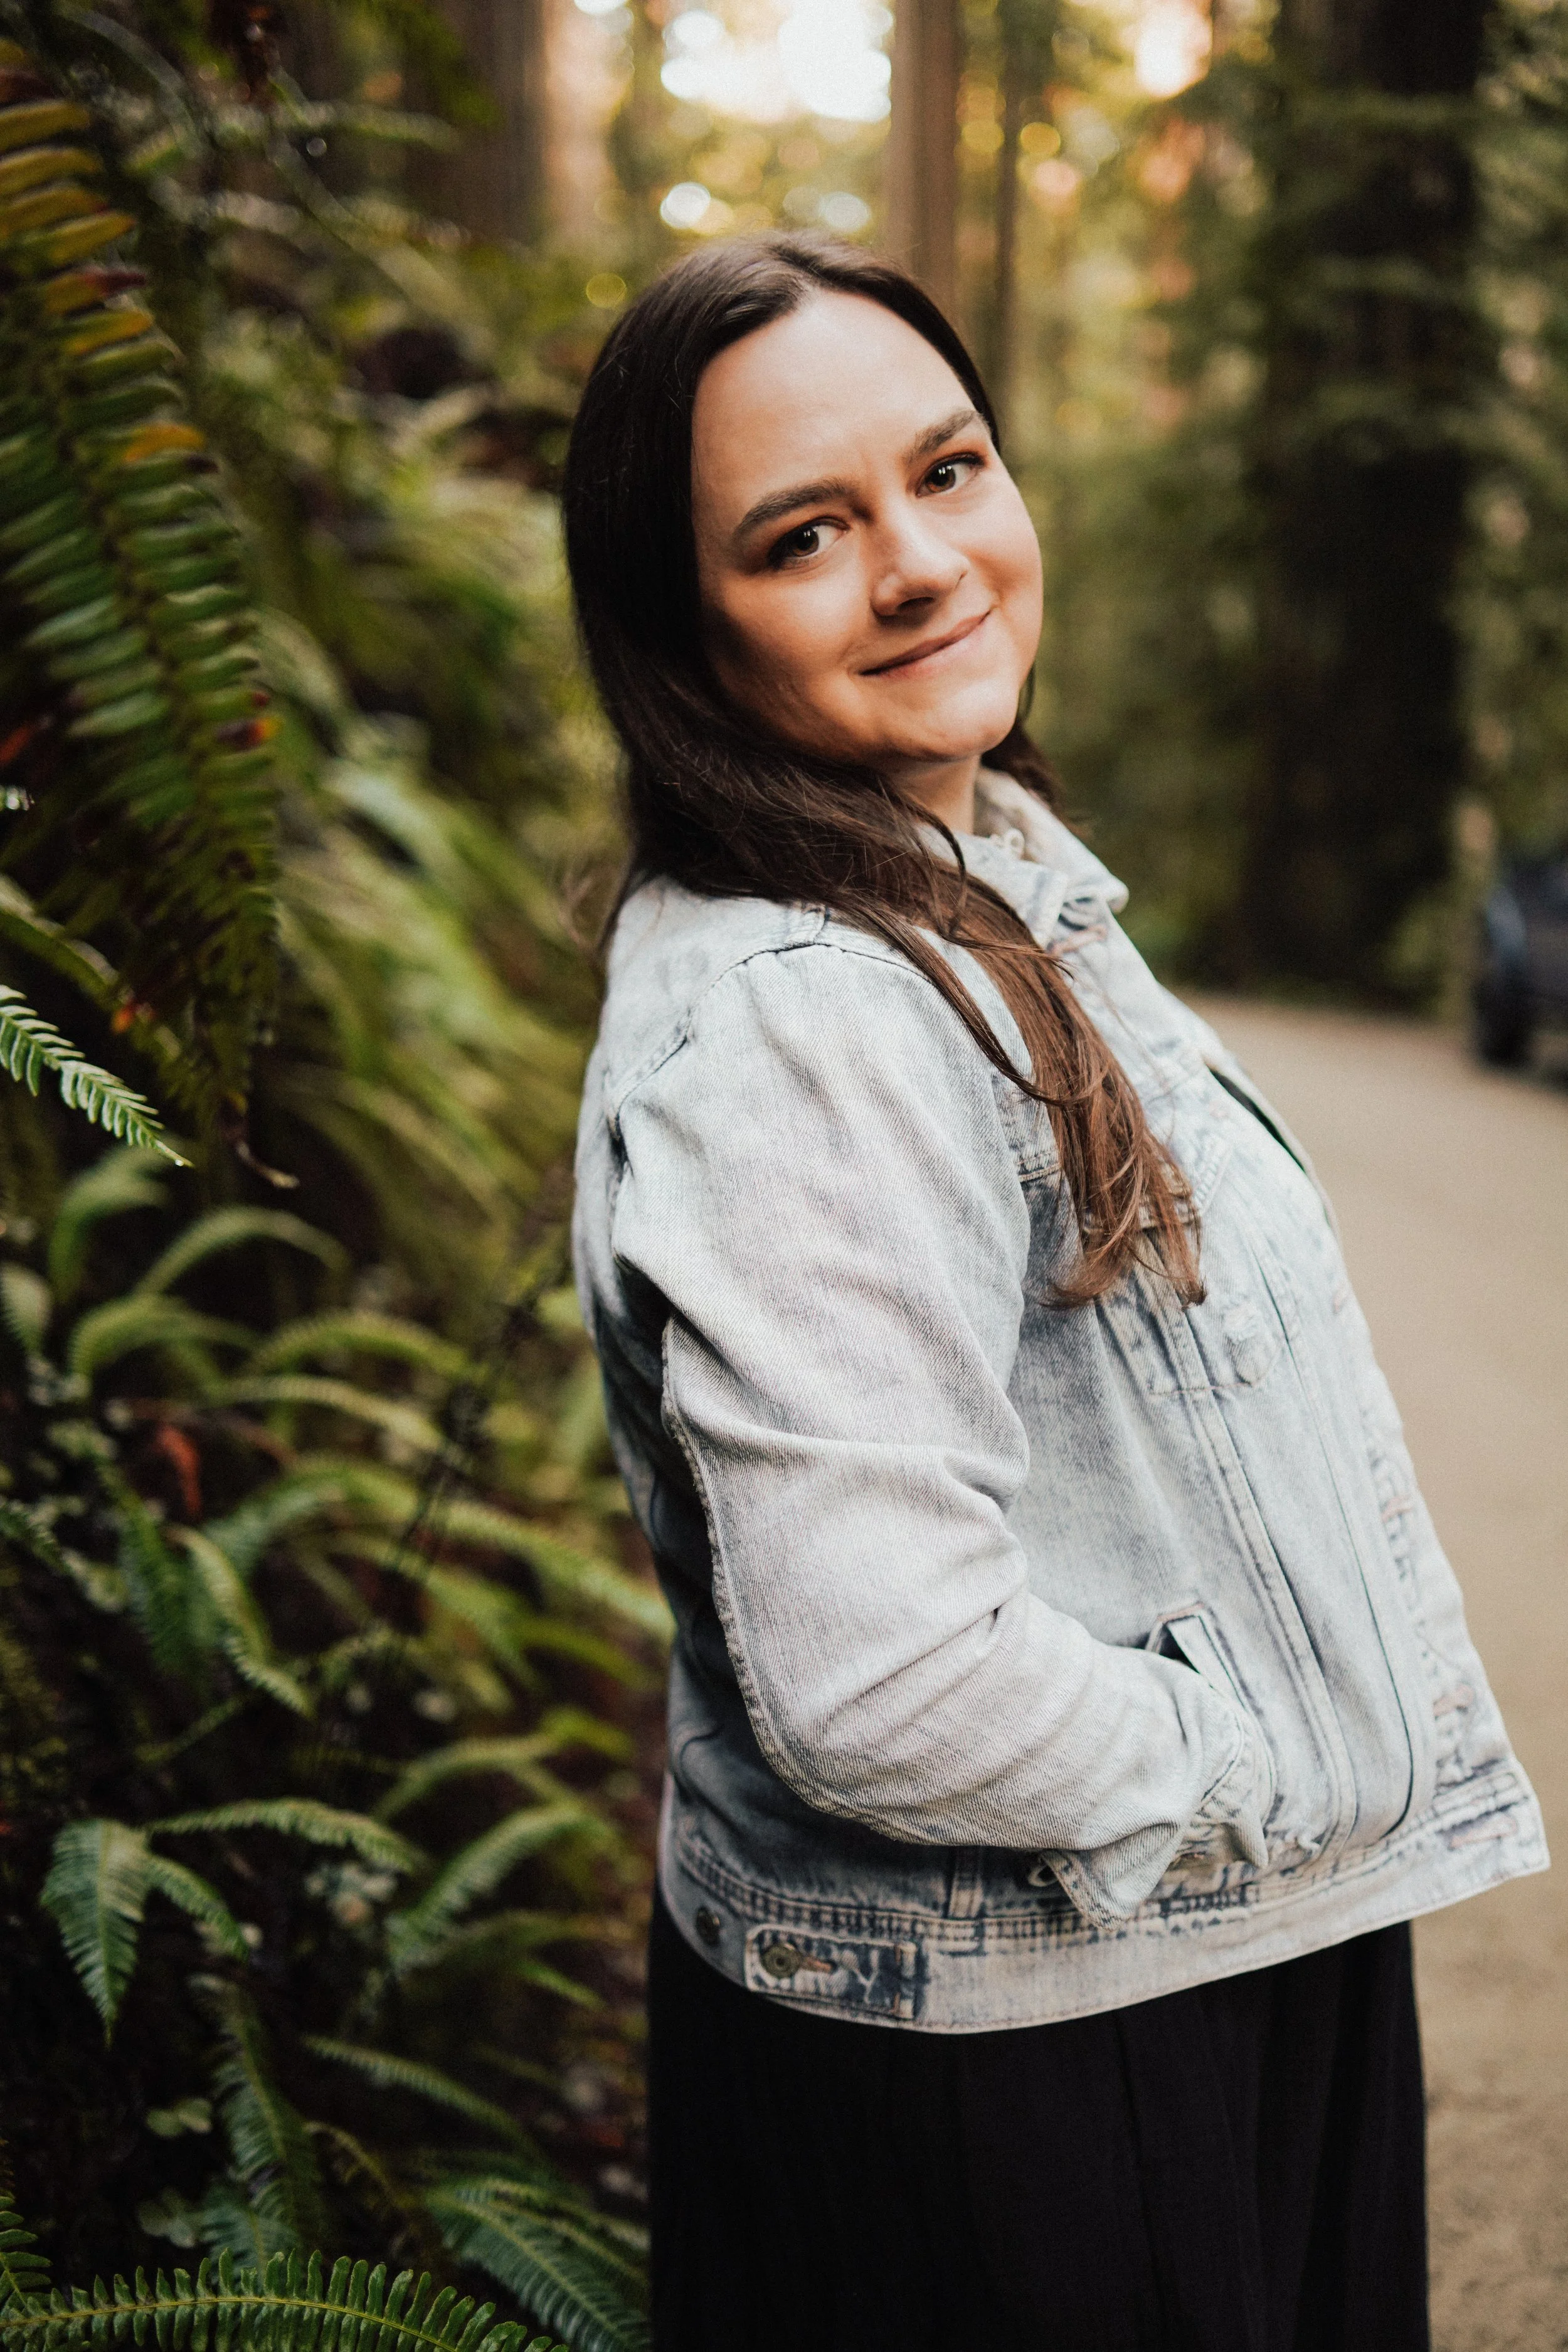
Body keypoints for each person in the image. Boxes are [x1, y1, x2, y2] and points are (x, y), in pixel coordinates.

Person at [563, 235, 1547, 2352]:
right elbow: (876, 1670)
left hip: (1141, 1975)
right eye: (803, 535)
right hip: (1050, 2050)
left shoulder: (971, 872)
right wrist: (1249, 1765)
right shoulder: (816, 1011)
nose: (918, 563)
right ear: (679, 630)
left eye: (949, 469)